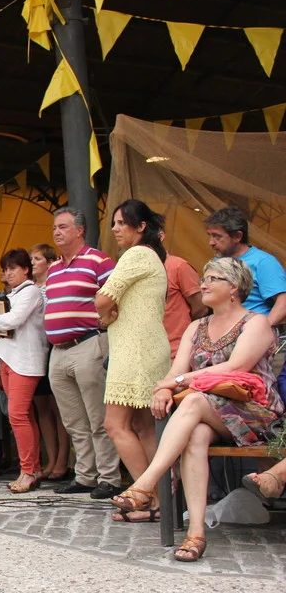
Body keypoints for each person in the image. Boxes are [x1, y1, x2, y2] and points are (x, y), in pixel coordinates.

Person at [111, 257, 283, 560]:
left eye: (213, 278)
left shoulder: (255, 323)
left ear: (234, 287)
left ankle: (146, 483)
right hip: (211, 414)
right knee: (196, 434)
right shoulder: (196, 326)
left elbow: (235, 366)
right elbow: (176, 370)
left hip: (255, 413)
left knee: (192, 402)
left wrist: (177, 382)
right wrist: (164, 387)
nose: (203, 285)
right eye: (205, 278)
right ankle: (196, 535)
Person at [45, 207, 121, 499]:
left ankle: (109, 478)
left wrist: (105, 325)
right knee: (74, 421)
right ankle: (85, 476)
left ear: (80, 231)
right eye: (55, 227)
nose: (57, 232)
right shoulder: (53, 269)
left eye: (63, 227)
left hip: (88, 344)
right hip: (58, 350)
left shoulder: (99, 261)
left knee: (98, 417)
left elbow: (117, 298)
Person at [95, 200, 171, 493]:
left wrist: (105, 313)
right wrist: (108, 314)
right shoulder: (153, 255)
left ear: (141, 226)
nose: (115, 229)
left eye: (121, 223)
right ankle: (162, 501)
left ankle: (143, 494)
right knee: (145, 427)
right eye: (113, 223)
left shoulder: (136, 254)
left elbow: (102, 299)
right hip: (148, 348)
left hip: (134, 351)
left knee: (114, 425)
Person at [204, 206, 286, 402]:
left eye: (217, 236)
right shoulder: (217, 263)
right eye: (210, 235)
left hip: (251, 341)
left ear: (238, 236)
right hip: (220, 337)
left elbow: (283, 303)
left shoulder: (263, 262)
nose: (211, 242)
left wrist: (257, 330)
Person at [0, 249, 48, 493]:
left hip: (25, 359)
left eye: (13, 268)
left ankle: (28, 470)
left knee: (18, 415)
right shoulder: (16, 294)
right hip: (10, 357)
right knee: (24, 415)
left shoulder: (30, 291)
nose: (8, 273)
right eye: (5, 269)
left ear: (26, 270)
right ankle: (34, 467)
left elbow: (15, 319)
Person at [29, 244, 70, 481]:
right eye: (31, 259)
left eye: (37, 259)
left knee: (59, 408)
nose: (33, 263)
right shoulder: (29, 288)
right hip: (34, 351)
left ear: (50, 261)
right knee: (42, 408)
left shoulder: (53, 286)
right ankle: (51, 458)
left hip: (52, 346)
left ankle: (63, 459)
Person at [161, 231, 207, 358]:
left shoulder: (178, 266)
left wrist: (182, 325)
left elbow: (201, 307)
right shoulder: (135, 267)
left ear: (160, 236)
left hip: (174, 352)